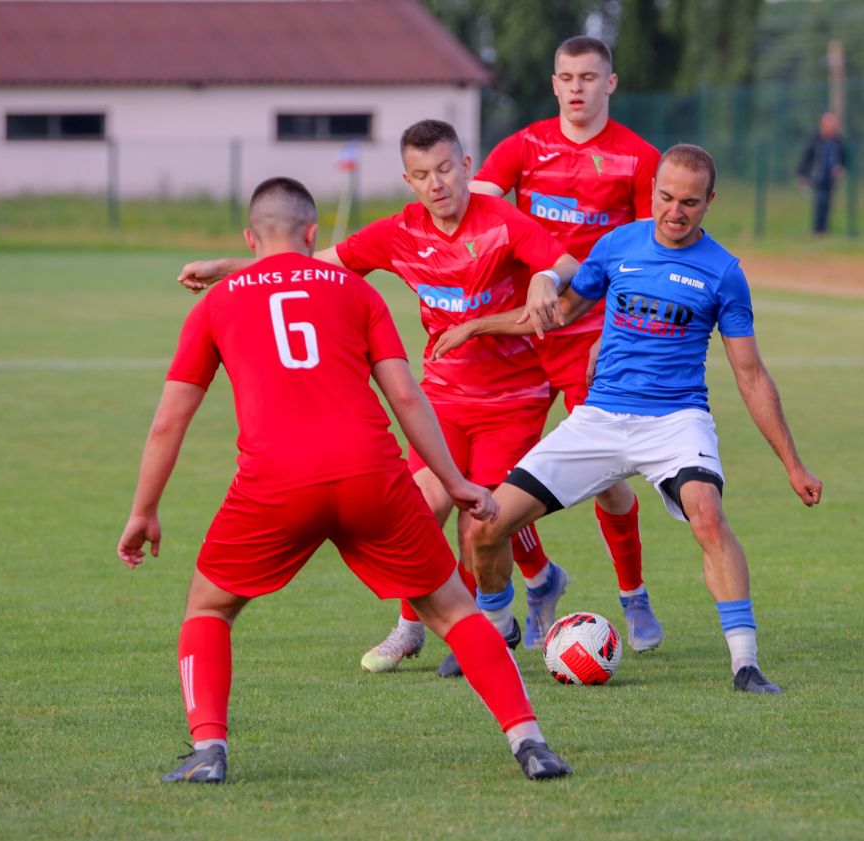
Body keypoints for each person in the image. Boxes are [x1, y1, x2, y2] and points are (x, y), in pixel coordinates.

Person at [118, 176, 571, 783]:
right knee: (454, 610)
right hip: (370, 474)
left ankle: (208, 751)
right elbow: (406, 396)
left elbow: (168, 422)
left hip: (276, 482)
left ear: (250, 240)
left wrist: (144, 511)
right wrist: (453, 480)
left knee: (208, 607)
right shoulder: (356, 291)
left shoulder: (217, 304)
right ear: (312, 234)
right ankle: (530, 743)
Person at [176, 121, 579, 678]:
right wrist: (225, 268)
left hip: (512, 398)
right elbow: (309, 265)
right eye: (422, 174)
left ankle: (493, 625)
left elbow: (566, 264)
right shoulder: (399, 232)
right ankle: (413, 625)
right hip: (443, 394)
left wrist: (546, 279)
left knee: (479, 526)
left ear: (466, 167)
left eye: (445, 169)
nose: (436, 183)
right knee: (420, 509)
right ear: (408, 181)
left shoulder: (502, 222)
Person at [448, 145, 823, 694]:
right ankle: (499, 630)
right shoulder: (617, 245)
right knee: (486, 527)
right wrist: (477, 326)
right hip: (600, 418)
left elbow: (751, 375)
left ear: (710, 201)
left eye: (689, 202)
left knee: (708, 515)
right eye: (666, 197)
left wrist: (793, 464)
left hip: (676, 420)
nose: (675, 211)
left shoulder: (723, 273)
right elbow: (559, 314)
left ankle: (745, 665)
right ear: (652, 192)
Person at [462, 35, 665, 653]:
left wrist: (614, 334)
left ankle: (633, 594)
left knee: (607, 477)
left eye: (589, 77)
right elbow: (475, 212)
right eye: (567, 77)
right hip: (523, 337)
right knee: (499, 482)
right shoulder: (523, 147)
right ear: (554, 84)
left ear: (611, 83)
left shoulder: (637, 158)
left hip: (591, 339)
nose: (577, 88)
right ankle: (539, 577)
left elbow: (645, 258)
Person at [796, 111, 847, 236]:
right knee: (820, 201)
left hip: (831, 177)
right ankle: (817, 229)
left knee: (828, 203)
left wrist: (841, 167)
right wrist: (802, 174)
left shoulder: (838, 140)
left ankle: (824, 229)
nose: (831, 126)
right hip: (817, 175)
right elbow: (806, 157)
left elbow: (844, 157)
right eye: (828, 123)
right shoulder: (815, 139)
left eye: (833, 124)